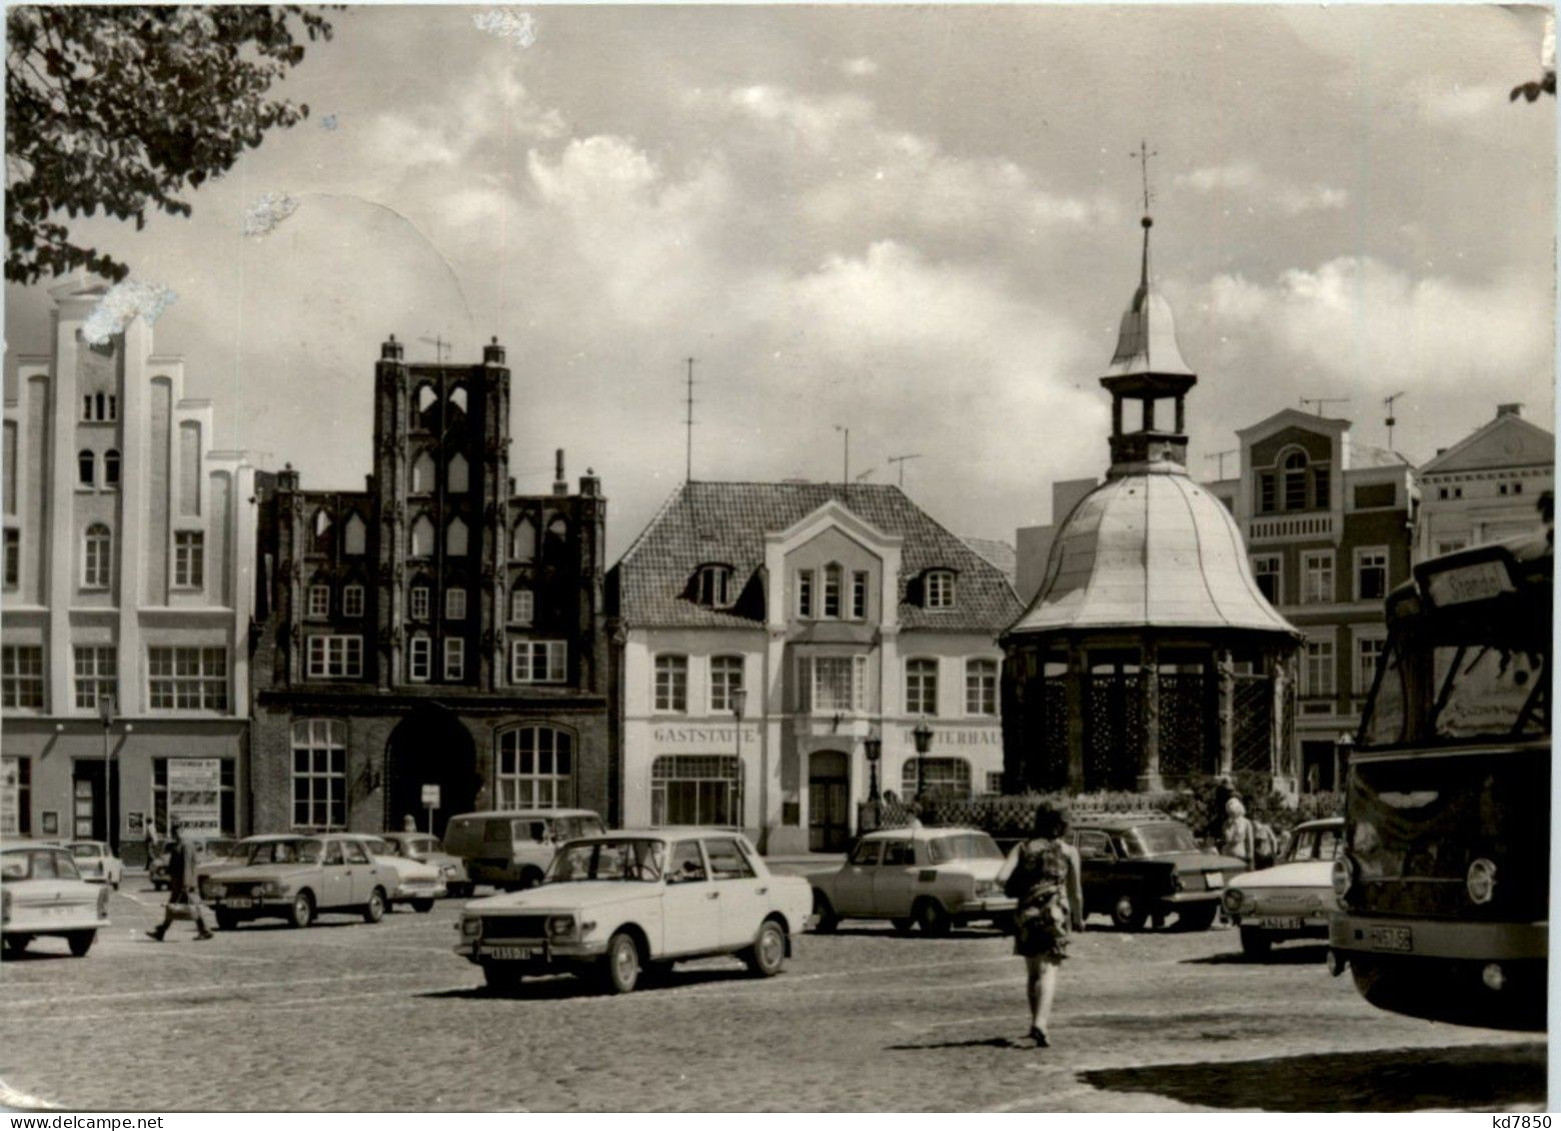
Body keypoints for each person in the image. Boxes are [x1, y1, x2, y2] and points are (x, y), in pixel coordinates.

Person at [998, 801, 1084, 1048]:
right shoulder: (1068, 852)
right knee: (1050, 970)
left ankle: (1034, 1022)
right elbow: (1076, 893)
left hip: (1026, 913)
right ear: (1062, 825)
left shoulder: (1022, 847)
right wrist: (1079, 919)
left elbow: (1001, 877)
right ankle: (1041, 1024)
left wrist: (1023, 882)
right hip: (1054, 912)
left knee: (1033, 972)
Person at [146, 819, 214, 941]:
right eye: (173, 832)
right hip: (179, 884)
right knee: (177, 908)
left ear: (182, 831)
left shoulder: (186, 845)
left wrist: (185, 884)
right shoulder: (178, 845)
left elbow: (187, 866)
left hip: (185, 885)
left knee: (186, 908)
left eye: (177, 831)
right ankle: (161, 931)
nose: (175, 834)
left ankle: (162, 932)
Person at [1221, 798, 1255, 869]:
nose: (1231, 815)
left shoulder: (1246, 822)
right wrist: (1231, 826)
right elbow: (1228, 839)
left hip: (1240, 854)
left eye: (1233, 812)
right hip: (1228, 855)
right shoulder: (1226, 824)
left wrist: (1250, 855)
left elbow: (1250, 841)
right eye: (1230, 813)